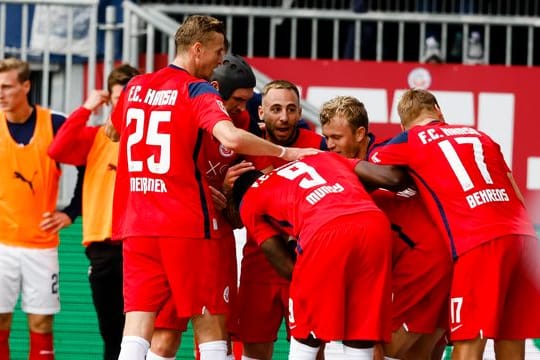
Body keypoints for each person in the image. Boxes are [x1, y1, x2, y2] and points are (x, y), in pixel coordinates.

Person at [105, 15, 318, 360]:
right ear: (198, 49)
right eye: (218, 52)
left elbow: (114, 130)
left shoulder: (135, 86)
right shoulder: (196, 89)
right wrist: (288, 152)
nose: (220, 60)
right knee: (210, 321)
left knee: (137, 325)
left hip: (138, 223)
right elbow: (230, 136)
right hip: (187, 224)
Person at [368, 88, 540, 359]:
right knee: (512, 343)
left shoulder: (407, 139)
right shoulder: (481, 135)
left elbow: (378, 170)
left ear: (402, 123)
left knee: (470, 342)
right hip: (524, 237)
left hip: (479, 242)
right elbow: (516, 192)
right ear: (438, 110)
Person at [320, 95, 452, 359]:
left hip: (422, 264)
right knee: (421, 352)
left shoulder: (392, 157)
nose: (330, 145)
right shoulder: (341, 165)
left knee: (380, 348)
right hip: (410, 265)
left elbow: (393, 180)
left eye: (337, 137)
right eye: (327, 138)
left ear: (360, 134)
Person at [231, 151, 398, 360]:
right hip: (374, 224)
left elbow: (287, 267)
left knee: (306, 334)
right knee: (360, 333)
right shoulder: (323, 157)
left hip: (324, 230)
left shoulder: (249, 199)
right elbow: (392, 178)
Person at [148, 53, 258, 360]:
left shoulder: (242, 121)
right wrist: (201, 190)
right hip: (179, 233)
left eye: (247, 100)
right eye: (237, 99)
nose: (242, 107)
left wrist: (229, 192)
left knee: (215, 330)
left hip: (217, 237)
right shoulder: (183, 116)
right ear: (213, 89)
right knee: (165, 337)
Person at [47, 63, 141, 360]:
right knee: (112, 334)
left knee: (143, 335)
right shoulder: (94, 137)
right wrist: (87, 108)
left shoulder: (149, 138)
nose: (123, 104)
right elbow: (57, 149)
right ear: (110, 101)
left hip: (140, 244)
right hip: (102, 246)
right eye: (117, 98)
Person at [234, 79, 327, 360]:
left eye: (290, 109)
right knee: (255, 352)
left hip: (307, 268)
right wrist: (227, 190)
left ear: (300, 113)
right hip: (257, 269)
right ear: (261, 112)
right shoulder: (246, 149)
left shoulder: (317, 146)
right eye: (275, 109)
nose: (284, 117)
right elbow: (235, 219)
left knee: (314, 351)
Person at [0, 57, 81, 360]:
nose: (1, 93)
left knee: (41, 323)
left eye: (7, 87)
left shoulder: (55, 123)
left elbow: (90, 164)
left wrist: (71, 211)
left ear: (25, 85)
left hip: (41, 246)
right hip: (2, 244)